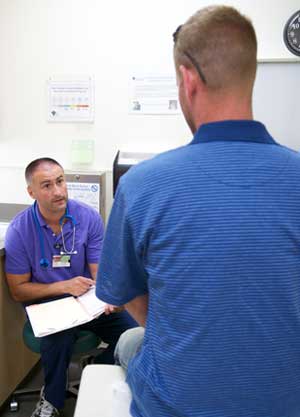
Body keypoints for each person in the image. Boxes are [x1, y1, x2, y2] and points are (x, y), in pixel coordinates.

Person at [96, 5, 300, 417]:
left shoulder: (141, 185)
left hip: (178, 407)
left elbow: (124, 294)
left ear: (187, 80)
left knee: (129, 344)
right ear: (250, 77)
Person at [5, 158, 137, 417]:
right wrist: (64, 285)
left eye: (60, 181)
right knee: (59, 337)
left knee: (134, 332)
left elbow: (99, 272)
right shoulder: (20, 230)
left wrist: (107, 294)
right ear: (31, 192)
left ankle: (95, 371)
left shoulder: (87, 218)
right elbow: (19, 290)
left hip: (87, 301)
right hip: (49, 307)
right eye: (46, 185)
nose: (57, 191)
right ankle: (52, 399)